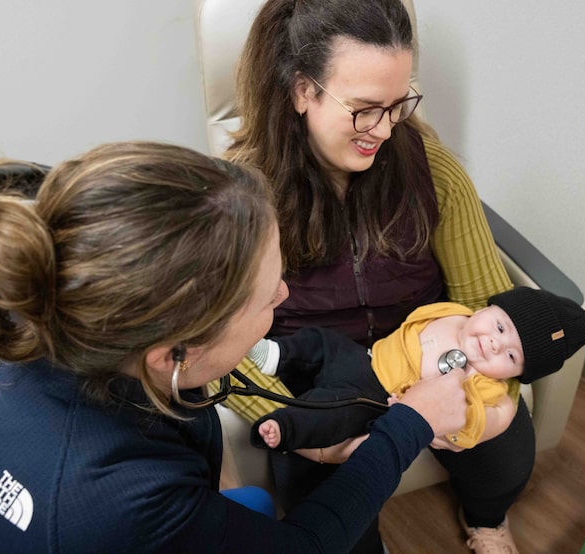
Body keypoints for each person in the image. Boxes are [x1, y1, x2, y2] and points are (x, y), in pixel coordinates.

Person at [0, 141, 470, 552]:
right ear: (173, 353)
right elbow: (308, 545)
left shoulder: (16, 314)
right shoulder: (124, 501)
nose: (285, 294)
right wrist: (410, 423)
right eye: (268, 299)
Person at [221, 0, 544, 551]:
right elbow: (212, 346)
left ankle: (487, 519)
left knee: (507, 438)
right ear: (303, 91)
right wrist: (301, 427)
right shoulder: (243, 199)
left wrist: (466, 386)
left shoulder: (433, 172)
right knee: (327, 507)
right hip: (320, 381)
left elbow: (487, 299)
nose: (386, 129)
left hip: (430, 354)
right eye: (366, 108)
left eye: (399, 105)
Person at [249, 287, 585, 454]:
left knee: (332, 409)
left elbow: (467, 430)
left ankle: (284, 426)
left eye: (510, 356)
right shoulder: (452, 313)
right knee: (323, 341)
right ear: (486, 308)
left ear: (515, 375)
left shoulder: (488, 390)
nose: (493, 344)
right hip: (364, 359)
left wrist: (435, 423)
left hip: (374, 402)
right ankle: (279, 354)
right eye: (500, 328)